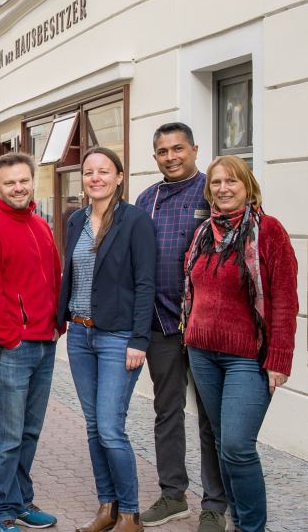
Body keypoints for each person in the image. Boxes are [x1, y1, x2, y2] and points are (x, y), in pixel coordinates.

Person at [180, 156, 298, 532]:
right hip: (202, 352)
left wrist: (279, 358)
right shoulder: (203, 233)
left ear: (247, 185)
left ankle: (252, 527)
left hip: (247, 357)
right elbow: (192, 289)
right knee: (219, 442)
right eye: (216, 182)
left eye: (231, 181)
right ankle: (236, 520)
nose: (223, 188)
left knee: (237, 446)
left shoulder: (269, 231)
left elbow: (284, 299)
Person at [57, 147, 155, 532]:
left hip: (119, 337)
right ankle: (106, 507)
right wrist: (60, 321)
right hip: (80, 335)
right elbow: (72, 274)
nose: (95, 177)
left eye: (103, 171)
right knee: (94, 425)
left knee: (111, 427)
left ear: (118, 176)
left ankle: (130, 513)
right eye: (88, 172)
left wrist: (140, 340)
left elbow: (145, 283)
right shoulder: (76, 220)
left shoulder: (135, 221)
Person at [134, 123, 226, 531]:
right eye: (162, 151)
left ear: (194, 149)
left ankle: (216, 504)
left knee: (211, 418)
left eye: (178, 149)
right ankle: (173, 496)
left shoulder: (214, 191)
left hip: (206, 329)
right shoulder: (146, 199)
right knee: (167, 412)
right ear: (155, 157)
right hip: (161, 327)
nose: (170, 157)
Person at [0, 152, 61, 532]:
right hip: (11, 347)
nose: (18, 187)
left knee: (29, 431)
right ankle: (0, 510)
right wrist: (11, 337)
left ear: (32, 181)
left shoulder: (41, 225)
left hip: (45, 342)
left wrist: (56, 323)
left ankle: (21, 501)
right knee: (5, 436)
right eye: (9, 183)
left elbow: (53, 275)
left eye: (23, 180)